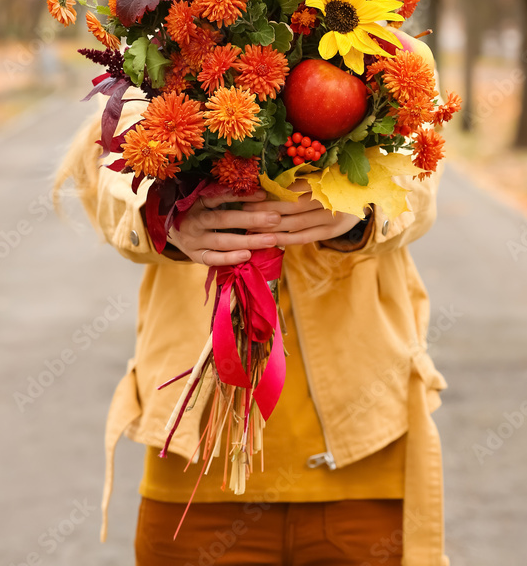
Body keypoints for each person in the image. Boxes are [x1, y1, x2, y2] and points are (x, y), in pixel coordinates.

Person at [56, 94, 449, 565]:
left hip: (363, 456)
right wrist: (163, 217)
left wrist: (362, 206)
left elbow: (421, 181)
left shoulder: (388, 58)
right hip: (195, 471)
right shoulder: (166, 38)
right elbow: (108, 172)